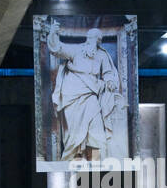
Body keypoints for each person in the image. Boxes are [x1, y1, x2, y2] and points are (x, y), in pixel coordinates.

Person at [45, 21, 122, 162]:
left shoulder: (102, 55)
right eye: (91, 39)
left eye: (97, 40)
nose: (93, 42)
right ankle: (72, 163)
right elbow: (57, 49)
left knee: (97, 131)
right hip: (72, 97)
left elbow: (108, 72)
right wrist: (53, 33)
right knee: (73, 134)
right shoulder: (76, 50)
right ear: (87, 40)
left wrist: (110, 81)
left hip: (90, 95)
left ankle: (96, 164)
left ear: (99, 42)